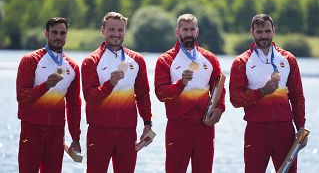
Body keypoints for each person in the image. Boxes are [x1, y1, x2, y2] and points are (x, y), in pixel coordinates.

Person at [229, 14, 307, 173]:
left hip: (284, 130)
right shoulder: (241, 62)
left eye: (267, 31)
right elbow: (235, 99)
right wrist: (262, 92)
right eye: (259, 32)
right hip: (256, 130)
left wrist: (300, 127)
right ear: (252, 32)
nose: (264, 36)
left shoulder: (288, 59)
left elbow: (297, 96)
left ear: (273, 31)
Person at [81, 12, 153, 173]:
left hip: (127, 133)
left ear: (125, 32)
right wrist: (110, 84)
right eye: (111, 29)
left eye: (120, 30)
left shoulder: (137, 60)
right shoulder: (91, 61)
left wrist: (147, 124)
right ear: (103, 31)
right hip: (99, 132)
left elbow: (143, 95)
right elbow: (90, 98)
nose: (116, 34)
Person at [154, 13, 226, 173]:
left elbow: (219, 88)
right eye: (185, 29)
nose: (188, 33)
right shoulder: (165, 60)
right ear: (177, 32)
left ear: (197, 32)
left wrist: (220, 108)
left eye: (192, 29)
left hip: (204, 126)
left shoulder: (210, 59)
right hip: (178, 126)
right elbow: (161, 94)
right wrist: (181, 84)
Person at [16, 17, 82, 173]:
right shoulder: (30, 60)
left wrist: (76, 137)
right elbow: (21, 97)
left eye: (62, 33)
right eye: (54, 33)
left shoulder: (72, 67)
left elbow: (74, 105)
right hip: (32, 130)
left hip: (56, 132)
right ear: (46, 34)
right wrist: (45, 86)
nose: (58, 37)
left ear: (66, 35)